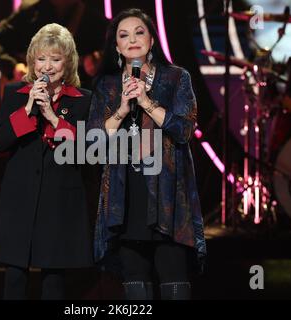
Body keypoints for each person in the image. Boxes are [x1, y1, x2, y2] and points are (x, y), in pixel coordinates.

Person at [87, 8, 207, 300]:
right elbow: (93, 144)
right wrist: (123, 109)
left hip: (167, 197)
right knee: (135, 281)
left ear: (152, 39)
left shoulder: (176, 78)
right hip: (124, 196)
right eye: (123, 35)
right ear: (116, 46)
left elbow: (184, 130)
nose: (132, 40)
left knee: (173, 276)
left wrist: (146, 101)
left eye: (139, 32)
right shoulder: (107, 85)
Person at [0, 23, 93, 299]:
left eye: (55, 59)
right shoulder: (15, 94)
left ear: (68, 63)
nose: (47, 67)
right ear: (32, 62)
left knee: (53, 282)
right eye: (41, 59)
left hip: (59, 200)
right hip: (20, 198)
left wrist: (52, 117)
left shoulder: (84, 100)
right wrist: (28, 109)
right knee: (14, 278)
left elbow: (86, 152)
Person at [0, 0, 108, 94]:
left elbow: (117, 55)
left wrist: (100, 62)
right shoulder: (31, 10)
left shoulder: (92, 17)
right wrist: (13, 67)